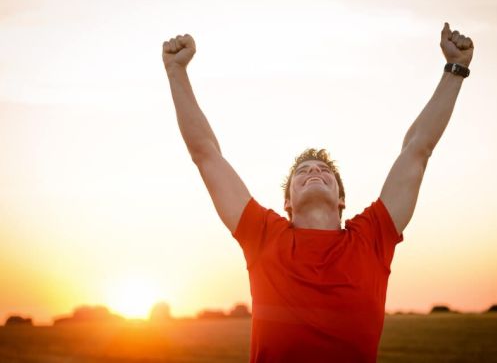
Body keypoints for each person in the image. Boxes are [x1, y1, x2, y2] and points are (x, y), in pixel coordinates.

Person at [162, 22, 474, 363]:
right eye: (303, 171)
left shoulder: (372, 237)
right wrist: (176, 71)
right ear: (287, 204)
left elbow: (417, 150)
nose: (314, 170)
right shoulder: (263, 235)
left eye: (325, 171)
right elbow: (206, 154)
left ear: (341, 199)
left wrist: (455, 69)